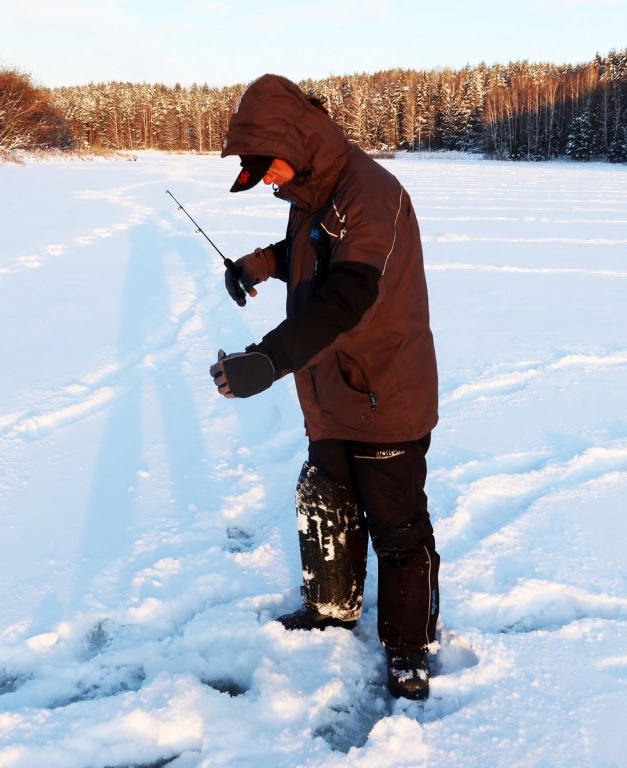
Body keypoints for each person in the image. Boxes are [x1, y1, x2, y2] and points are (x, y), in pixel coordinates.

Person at [208, 74, 440, 701]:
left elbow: (348, 292)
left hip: (384, 390)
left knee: (397, 526)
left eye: (269, 170)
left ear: (294, 139)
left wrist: (268, 359)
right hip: (330, 391)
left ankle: (410, 644)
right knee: (327, 499)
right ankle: (332, 607)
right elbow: (303, 254)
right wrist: (255, 264)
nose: (271, 183)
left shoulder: (370, 193)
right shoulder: (314, 192)